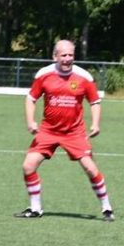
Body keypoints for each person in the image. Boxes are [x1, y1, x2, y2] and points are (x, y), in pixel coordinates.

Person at [15, 39, 114, 221]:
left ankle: (107, 208)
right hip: (48, 131)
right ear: (55, 56)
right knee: (28, 166)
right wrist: (30, 121)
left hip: (74, 133)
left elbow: (95, 101)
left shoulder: (84, 77)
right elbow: (31, 98)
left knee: (90, 168)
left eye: (71, 55)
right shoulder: (44, 74)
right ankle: (35, 208)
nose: (68, 59)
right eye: (64, 55)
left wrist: (96, 124)